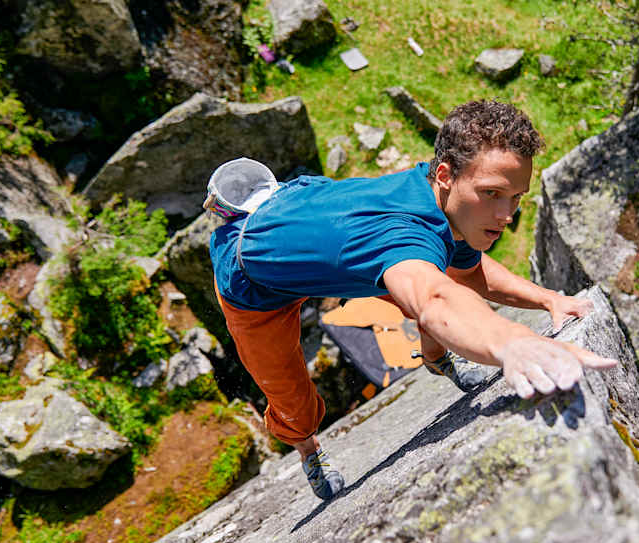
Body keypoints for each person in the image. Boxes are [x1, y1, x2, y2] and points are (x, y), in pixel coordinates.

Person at [209, 100, 617, 501]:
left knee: (426, 281)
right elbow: (436, 298)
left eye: (515, 197)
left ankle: (437, 358)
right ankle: (309, 450)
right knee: (293, 401)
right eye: (492, 193)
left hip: (306, 209)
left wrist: (550, 301)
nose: (507, 215)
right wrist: (511, 341)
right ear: (445, 174)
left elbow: (468, 272)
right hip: (253, 279)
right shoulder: (405, 238)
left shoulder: (438, 198)